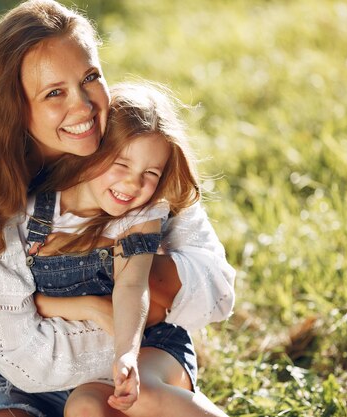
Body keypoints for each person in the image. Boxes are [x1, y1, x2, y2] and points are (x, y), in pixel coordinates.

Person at [0, 1, 235, 416]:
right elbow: (28, 361)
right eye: (54, 92)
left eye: (90, 77)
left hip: (130, 360)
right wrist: (104, 309)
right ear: (13, 106)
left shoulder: (131, 151)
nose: (84, 107)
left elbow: (217, 291)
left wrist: (131, 283)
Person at [26, 82, 228, 417]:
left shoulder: (140, 215)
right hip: (84, 367)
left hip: (149, 345)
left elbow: (132, 285)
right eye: (121, 165)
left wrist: (127, 354)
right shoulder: (36, 213)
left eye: (150, 173)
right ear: (93, 151)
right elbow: (21, 303)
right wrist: (90, 306)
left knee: (142, 394)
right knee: (85, 407)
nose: (133, 184)